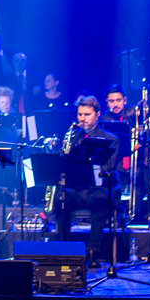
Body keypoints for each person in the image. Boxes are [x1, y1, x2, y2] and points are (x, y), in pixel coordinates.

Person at [50, 97, 119, 253]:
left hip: (98, 189)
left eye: (87, 114)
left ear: (97, 115)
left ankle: (93, 251)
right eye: (80, 114)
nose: (82, 118)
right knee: (61, 200)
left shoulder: (111, 139)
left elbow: (108, 168)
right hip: (77, 190)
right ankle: (64, 250)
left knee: (102, 201)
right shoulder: (72, 137)